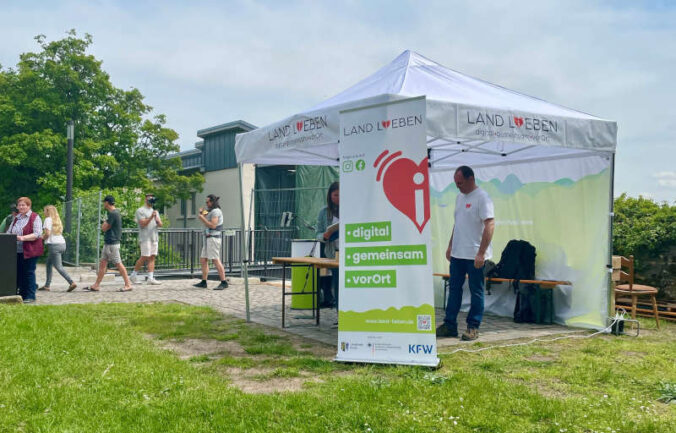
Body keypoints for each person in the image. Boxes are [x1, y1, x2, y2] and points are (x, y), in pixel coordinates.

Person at [436, 166, 495, 341]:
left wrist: (481, 253)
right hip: (457, 254)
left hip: (474, 256)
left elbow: (490, 225)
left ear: (471, 179)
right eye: (455, 183)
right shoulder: (459, 198)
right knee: (454, 290)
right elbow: (458, 224)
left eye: (460, 182)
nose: (458, 186)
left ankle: (473, 327)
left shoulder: (482, 198)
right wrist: (450, 246)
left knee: (476, 291)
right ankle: (450, 325)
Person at [85, 195, 133, 292]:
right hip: (109, 243)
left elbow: (104, 227)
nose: (103, 204)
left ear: (107, 203)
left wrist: (104, 224)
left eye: (104, 202)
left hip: (112, 243)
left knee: (118, 264)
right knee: (103, 264)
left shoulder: (113, 214)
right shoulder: (114, 213)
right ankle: (96, 285)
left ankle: (128, 284)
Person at [8, 197, 43, 303]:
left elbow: (37, 234)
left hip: (30, 250)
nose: (21, 207)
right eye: (20, 205)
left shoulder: (35, 217)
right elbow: (9, 231)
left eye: (24, 205)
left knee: (29, 272)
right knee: (19, 272)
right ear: (17, 207)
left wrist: (22, 238)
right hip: (17, 250)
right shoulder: (16, 218)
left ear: (29, 206)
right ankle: (22, 294)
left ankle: (31, 295)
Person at [193, 194, 228, 290]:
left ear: (212, 202)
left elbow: (213, 225)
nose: (206, 203)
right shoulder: (210, 210)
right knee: (203, 259)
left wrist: (202, 217)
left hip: (213, 238)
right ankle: (204, 281)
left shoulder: (216, 211)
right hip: (208, 238)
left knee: (215, 260)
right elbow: (204, 214)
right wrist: (202, 213)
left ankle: (223, 282)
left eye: (208, 202)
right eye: (206, 202)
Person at [39, 205, 77, 292]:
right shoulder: (57, 220)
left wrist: (40, 238)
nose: (44, 212)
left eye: (44, 210)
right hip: (62, 244)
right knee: (48, 263)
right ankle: (47, 285)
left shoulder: (48, 219)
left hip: (54, 246)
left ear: (48, 211)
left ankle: (71, 282)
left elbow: (47, 234)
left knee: (58, 266)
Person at [315, 181, 339, 309]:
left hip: (351, 251)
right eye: (335, 195)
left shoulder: (351, 209)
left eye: (341, 195)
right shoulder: (324, 212)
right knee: (337, 284)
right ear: (330, 195)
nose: (338, 198)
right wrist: (324, 236)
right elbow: (317, 233)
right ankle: (340, 316)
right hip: (334, 252)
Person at [131, 193, 163, 285]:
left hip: (154, 237)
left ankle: (150, 277)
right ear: (145, 199)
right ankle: (133, 275)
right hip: (145, 237)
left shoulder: (155, 211)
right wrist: (151, 217)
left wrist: (157, 218)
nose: (151, 200)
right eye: (149, 199)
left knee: (152, 256)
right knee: (144, 256)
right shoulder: (140, 210)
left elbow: (160, 224)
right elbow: (142, 223)